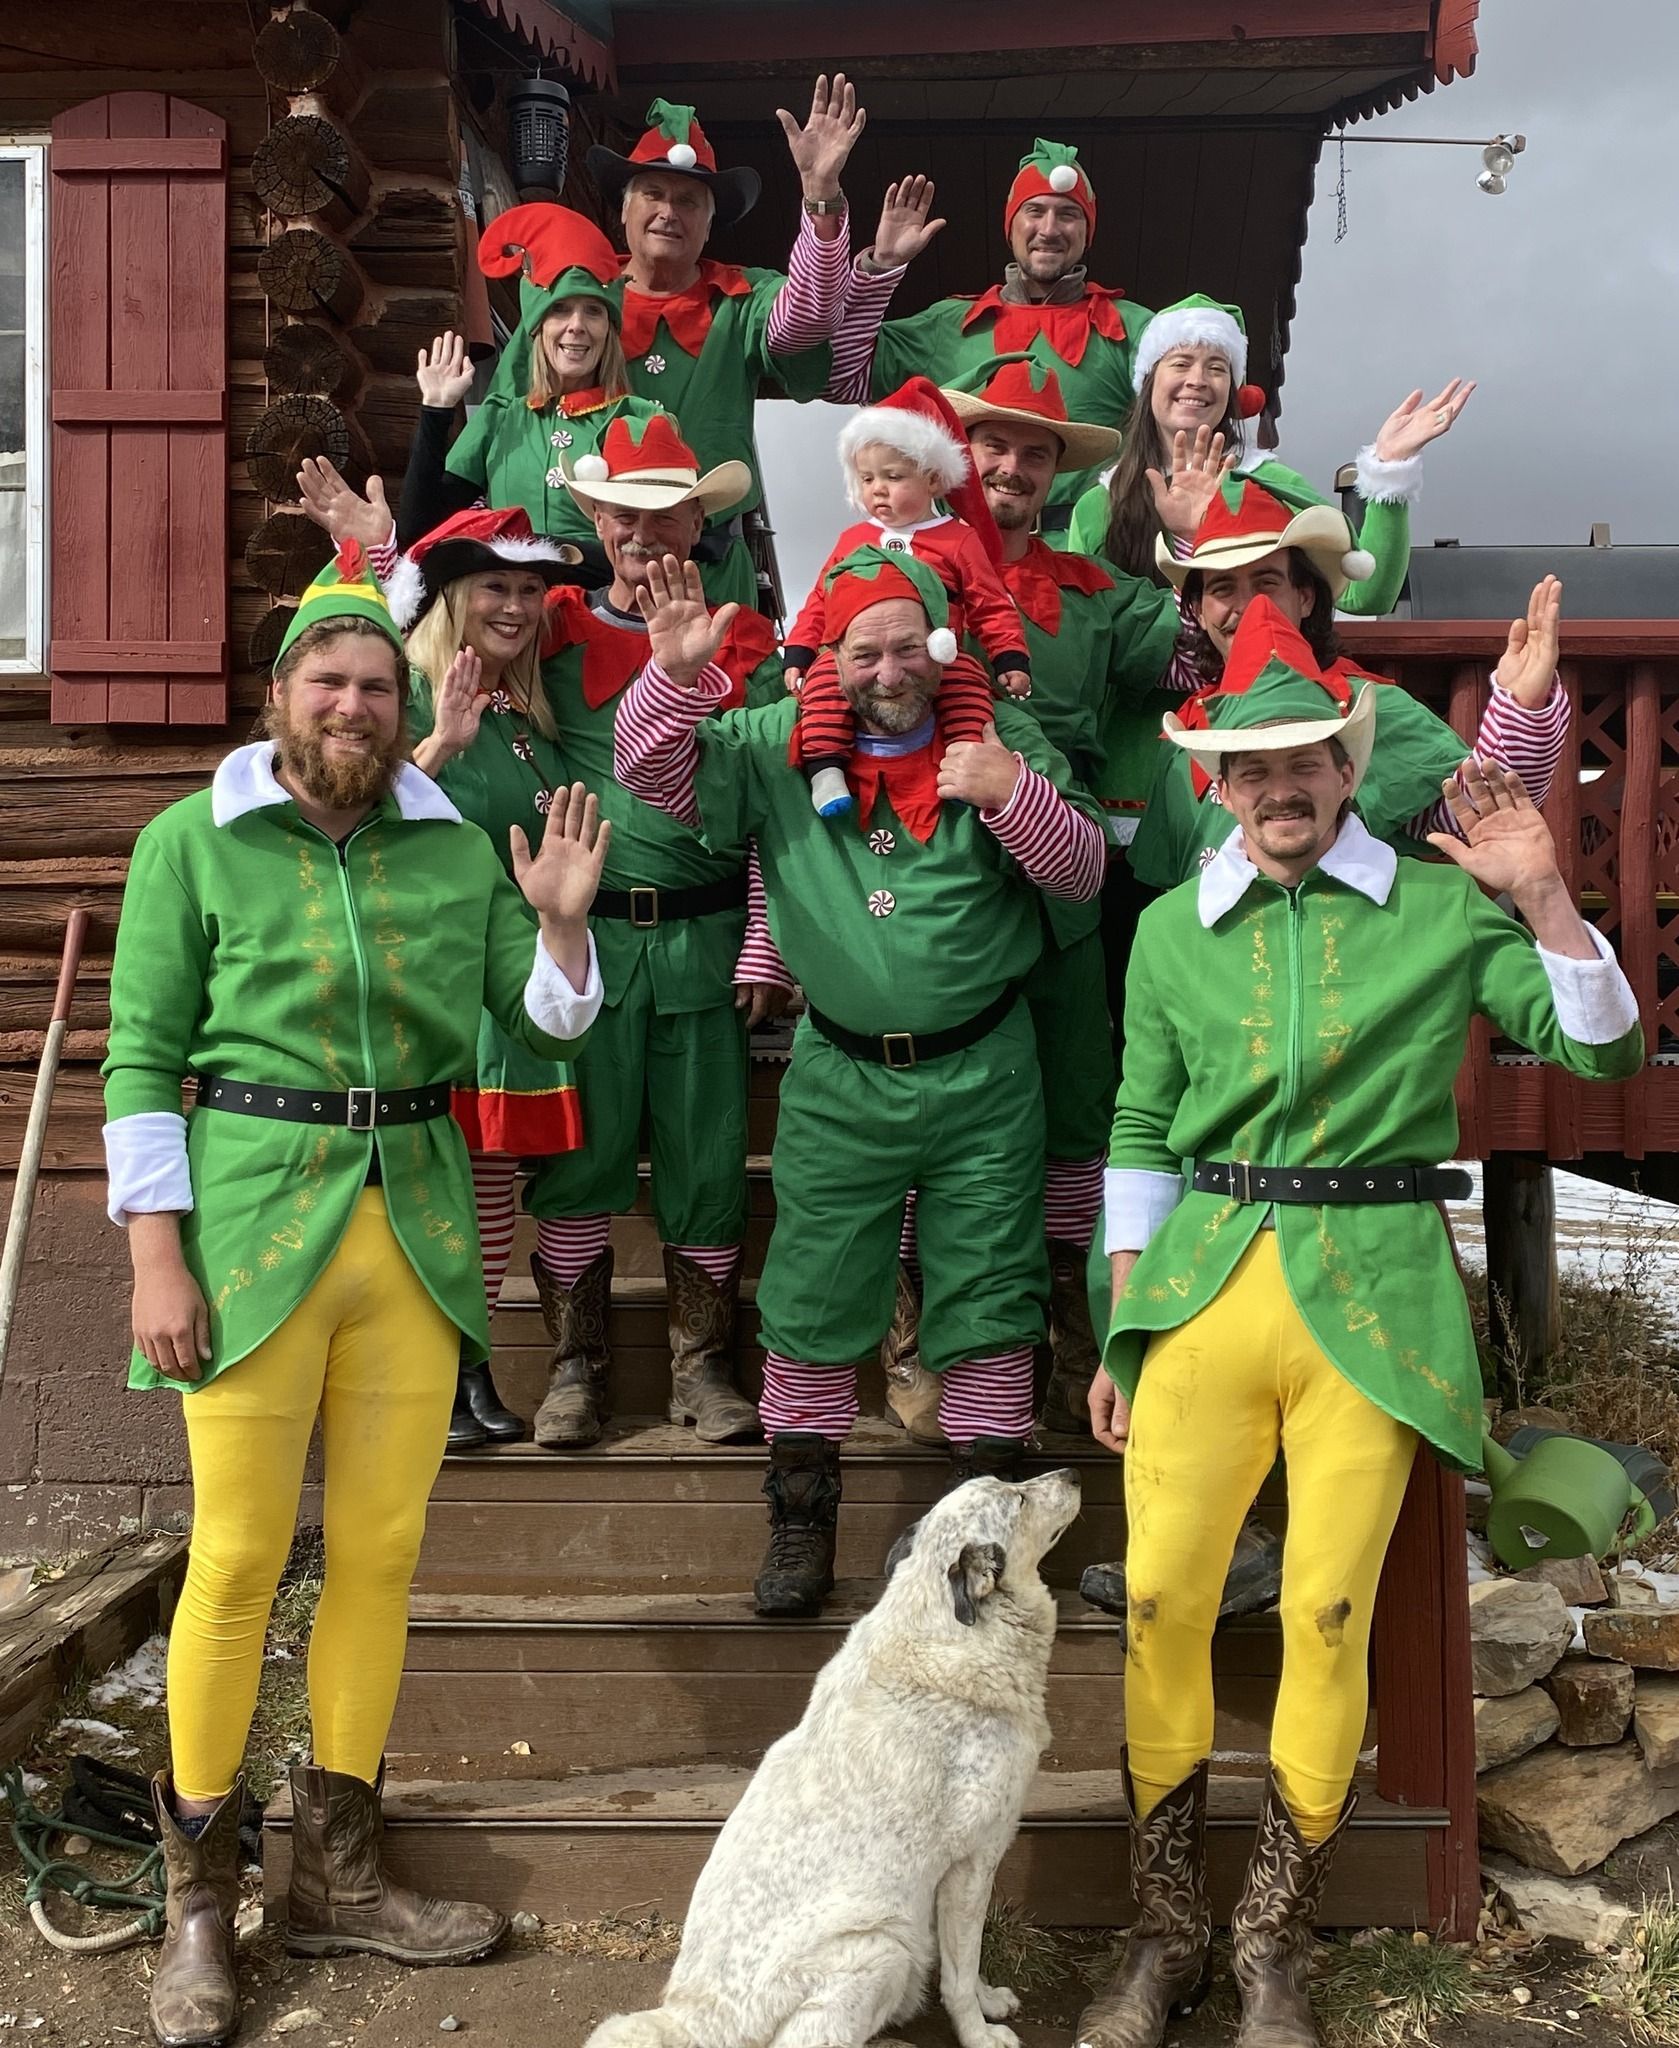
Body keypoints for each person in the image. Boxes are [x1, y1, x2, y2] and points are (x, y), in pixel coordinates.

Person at [1075, 596, 1643, 2048]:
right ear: (1215, 782)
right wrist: (1119, 1317)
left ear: (1345, 761)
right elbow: (1139, 1121)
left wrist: (1544, 896)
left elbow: (1601, 1047)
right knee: (1156, 1602)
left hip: (1371, 1296)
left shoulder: (1441, 906)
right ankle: (1161, 1929)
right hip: (1199, 1286)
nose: (1279, 785)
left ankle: (1270, 1939)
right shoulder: (1161, 934)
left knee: (1325, 1612)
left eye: (1306, 758)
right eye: (1249, 765)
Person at [102, 545, 608, 2046]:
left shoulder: (458, 847)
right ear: (277, 699)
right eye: (327, 679)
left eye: (376, 686)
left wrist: (568, 925)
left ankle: (332, 1870)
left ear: (405, 710)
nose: (352, 703)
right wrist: (150, 1255)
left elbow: (544, 1018)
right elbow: (141, 1059)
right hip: (250, 1217)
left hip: (413, 1216)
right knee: (242, 1555)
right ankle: (199, 1897)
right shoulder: (193, 843)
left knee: (380, 1554)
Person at [614, 544, 1107, 1618]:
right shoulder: (774, 744)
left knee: (987, 1288)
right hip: (840, 1070)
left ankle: (984, 1545)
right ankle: (800, 1519)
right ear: (829, 658)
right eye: (861, 649)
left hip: (984, 1070)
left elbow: (1080, 875)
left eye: (904, 644)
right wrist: (670, 677)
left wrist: (1013, 796)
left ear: (939, 645)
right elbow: (649, 774)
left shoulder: (999, 740)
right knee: (812, 1288)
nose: (887, 669)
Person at [527, 411, 794, 1447]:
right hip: (582, 943)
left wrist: (767, 934)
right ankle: (575, 1368)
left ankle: (700, 1365)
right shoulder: (546, 627)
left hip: (703, 938)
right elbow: (431, 615)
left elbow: (773, 795)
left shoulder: (747, 639)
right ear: (593, 515)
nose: (642, 534)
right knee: (581, 1159)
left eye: (662, 515)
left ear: (695, 518)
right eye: (621, 514)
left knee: (706, 1157)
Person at [1128, 475, 1569, 893]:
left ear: (1306, 596)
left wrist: (1522, 713)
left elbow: (1472, 819)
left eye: (1266, 582)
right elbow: (1171, 888)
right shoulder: (1184, 733)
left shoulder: (1370, 705)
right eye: (1223, 588)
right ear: (1201, 613)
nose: (1246, 607)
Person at [584, 85, 869, 605]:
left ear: (710, 223)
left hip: (712, 577)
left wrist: (820, 198)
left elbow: (806, 316)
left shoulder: (741, 297)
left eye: (689, 200)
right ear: (622, 213)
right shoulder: (578, 302)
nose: (670, 211)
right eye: (653, 194)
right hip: (593, 576)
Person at [1064, 291, 1473, 603]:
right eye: (1181, 363)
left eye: (1217, 368)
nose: (1198, 379)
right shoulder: (1099, 506)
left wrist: (1389, 467)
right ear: (1148, 382)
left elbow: (1364, 594)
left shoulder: (1272, 485)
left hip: (1246, 706)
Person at [828, 138, 1148, 536]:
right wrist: (882, 266)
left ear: (1088, 231)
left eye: (1068, 214)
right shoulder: (948, 324)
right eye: (1035, 211)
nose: (1049, 229)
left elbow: (1191, 414)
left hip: (1084, 552)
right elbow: (839, 368)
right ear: (1010, 225)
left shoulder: (1134, 328)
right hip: (962, 556)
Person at [783, 375, 1029, 815]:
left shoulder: (958, 539)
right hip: (859, 657)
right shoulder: (853, 539)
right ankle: (825, 770)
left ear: (933, 480)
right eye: (866, 478)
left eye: (893, 476)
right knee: (824, 684)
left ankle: (964, 768)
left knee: (969, 690)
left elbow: (990, 603)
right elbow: (821, 599)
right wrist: (800, 650)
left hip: (936, 656)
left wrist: (1009, 657)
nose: (877, 488)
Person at [394, 205, 664, 559]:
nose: (577, 325)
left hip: (599, 611)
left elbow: (651, 550)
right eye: (560, 309)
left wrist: (537, 555)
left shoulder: (640, 421)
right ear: (537, 327)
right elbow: (418, 529)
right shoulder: (502, 418)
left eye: (594, 311)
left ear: (609, 331)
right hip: (511, 611)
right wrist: (436, 410)